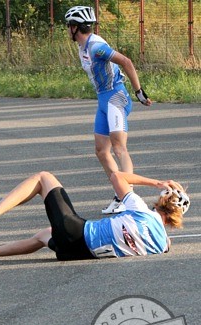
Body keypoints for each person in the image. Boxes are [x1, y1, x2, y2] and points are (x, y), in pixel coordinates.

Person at [0, 170, 189, 262]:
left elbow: (117, 176)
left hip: (78, 233)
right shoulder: (162, 244)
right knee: (44, 235)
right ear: (175, 219)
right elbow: (167, 243)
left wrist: (157, 182)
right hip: (78, 253)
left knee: (43, 178)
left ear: (162, 199)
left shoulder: (140, 210)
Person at [65, 6, 152, 214]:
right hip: (103, 99)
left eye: (69, 26)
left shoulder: (96, 47)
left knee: (119, 148)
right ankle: (120, 193)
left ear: (76, 27)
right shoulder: (83, 46)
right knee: (101, 150)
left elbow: (126, 61)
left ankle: (128, 197)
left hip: (116, 97)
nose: (67, 29)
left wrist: (139, 92)